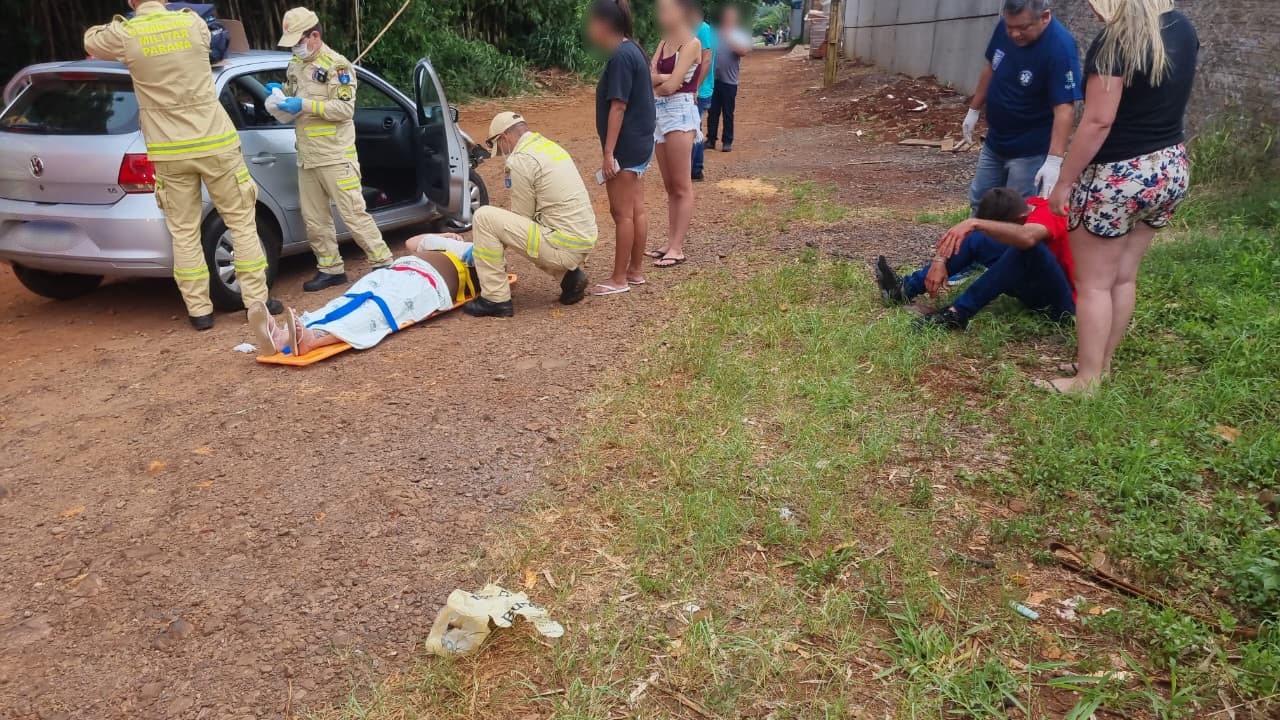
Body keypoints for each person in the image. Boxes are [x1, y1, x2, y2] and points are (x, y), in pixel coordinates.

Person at [84, 0, 279, 331]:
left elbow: (91, 39)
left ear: (132, 2)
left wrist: (130, 21)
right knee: (242, 223)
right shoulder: (191, 24)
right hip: (215, 142)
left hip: (169, 150)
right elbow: (214, 42)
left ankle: (199, 311)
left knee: (184, 233)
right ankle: (257, 302)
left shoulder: (126, 34)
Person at [1045, 0, 1197, 394]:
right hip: (1168, 167)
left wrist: (1064, 180)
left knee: (1094, 283)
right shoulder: (1181, 28)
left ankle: (1087, 379)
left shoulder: (1115, 43)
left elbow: (1098, 121)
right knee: (1124, 275)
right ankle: (1101, 363)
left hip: (1118, 176)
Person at [270, 7, 393, 293]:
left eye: (298, 41)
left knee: (353, 213)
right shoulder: (295, 66)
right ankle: (330, 269)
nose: (295, 48)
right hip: (308, 157)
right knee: (314, 219)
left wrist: (304, 105)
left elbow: (344, 109)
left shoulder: (337, 65)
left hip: (336, 156)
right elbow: (291, 101)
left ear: (314, 35)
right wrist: (277, 99)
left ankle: (384, 263)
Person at [875, 187, 1076, 330]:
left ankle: (957, 314)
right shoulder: (1024, 207)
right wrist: (939, 260)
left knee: (1027, 247)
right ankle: (903, 289)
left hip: (1064, 305)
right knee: (978, 239)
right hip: (1036, 287)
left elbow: (1027, 237)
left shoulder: (1050, 212)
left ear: (1022, 219)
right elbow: (974, 235)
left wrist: (975, 223)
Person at [248, 234, 476, 355]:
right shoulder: (446, 243)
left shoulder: (476, 255)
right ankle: (282, 336)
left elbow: (487, 261)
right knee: (346, 300)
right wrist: (443, 236)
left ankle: (313, 340)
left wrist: (450, 243)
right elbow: (412, 242)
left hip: (427, 283)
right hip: (398, 269)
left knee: (375, 311)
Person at [462, 112, 596, 318]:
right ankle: (569, 277)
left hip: (563, 245)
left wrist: (487, 247)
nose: (502, 153)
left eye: (500, 146)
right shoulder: (548, 146)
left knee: (483, 217)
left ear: (505, 137)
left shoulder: (521, 159)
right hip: (580, 238)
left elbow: (522, 218)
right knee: (532, 228)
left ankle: (495, 298)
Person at [962, 0, 1083, 210]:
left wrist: (1054, 161)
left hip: (1029, 150)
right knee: (980, 201)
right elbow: (992, 67)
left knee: (1017, 210)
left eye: (1023, 28)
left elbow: (1064, 108)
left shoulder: (1060, 47)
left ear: (1044, 17)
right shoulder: (1005, 27)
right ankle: (977, 241)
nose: (1014, 34)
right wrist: (974, 109)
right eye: (1010, 27)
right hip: (996, 140)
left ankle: (1010, 243)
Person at [587, 0, 657, 297]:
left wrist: (608, 153)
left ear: (604, 24)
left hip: (626, 148)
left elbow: (618, 107)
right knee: (635, 210)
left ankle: (619, 279)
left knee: (621, 214)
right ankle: (635, 271)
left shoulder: (620, 57)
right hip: (640, 143)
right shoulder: (633, 49)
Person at [646, 0, 702, 268]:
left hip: (679, 112)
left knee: (681, 185)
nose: (661, 14)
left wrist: (661, 79)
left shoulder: (692, 44)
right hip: (659, 113)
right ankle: (670, 242)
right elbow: (653, 77)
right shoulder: (664, 41)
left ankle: (677, 247)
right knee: (670, 185)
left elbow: (671, 85)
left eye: (666, 9)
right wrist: (663, 79)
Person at [707, 4, 751, 153]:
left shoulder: (740, 34)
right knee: (712, 111)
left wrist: (729, 39)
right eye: (725, 17)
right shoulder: (714, 33)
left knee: (727, 112)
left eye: (730, 18)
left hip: (729, 80)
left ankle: (727, 141)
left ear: (735, 19)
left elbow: (743, 51)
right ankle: (711, 139)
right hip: (713, 78)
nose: (727, 20)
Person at [689, 2, 717, 182]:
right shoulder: (689, 29)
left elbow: (706, 61)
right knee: (693, 127)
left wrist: (695, 88)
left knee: (694, 129)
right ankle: (694, 170)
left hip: (701, 90)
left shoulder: (703, 29)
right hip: (692, 89)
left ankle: (694, 169)